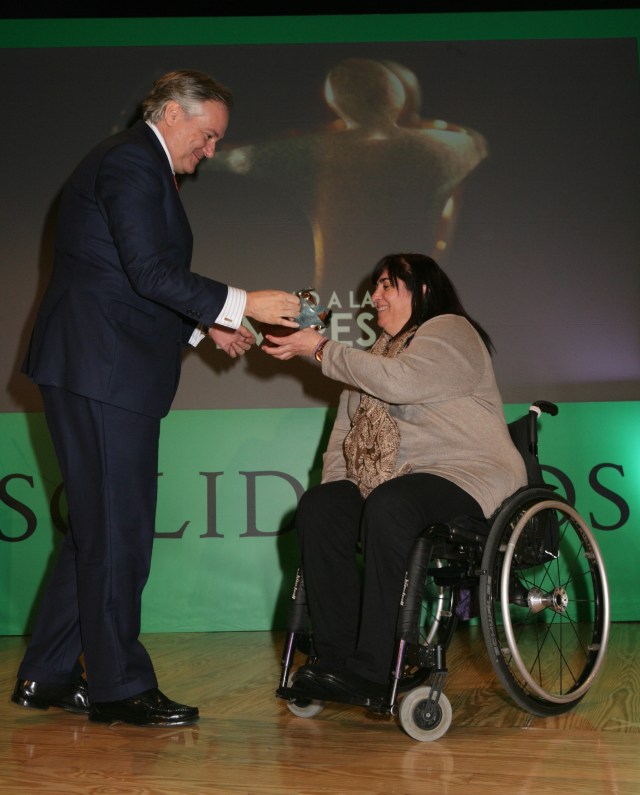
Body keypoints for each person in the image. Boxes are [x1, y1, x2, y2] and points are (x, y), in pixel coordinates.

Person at [12, 69, 301, 727]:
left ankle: (47, 674)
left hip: (98, 364)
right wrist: (241, 301)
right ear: (171, 112)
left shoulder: (132, 163)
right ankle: (118, 685)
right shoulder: (133, 163)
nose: (211, 150)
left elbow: (126, 273)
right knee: (120, 531)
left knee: (98, 529)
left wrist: (205, 326)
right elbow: (148, 270)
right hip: (103, 368)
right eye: (208, 135)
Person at [262, 253, 527, 699]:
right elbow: (341, 445)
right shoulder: (367, 361)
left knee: (393, 502)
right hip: (399, 484)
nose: (375, 296)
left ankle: (374, 667)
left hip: (467, 474)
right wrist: (336, 495)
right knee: (321, 506)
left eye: (387, 285)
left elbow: (400, 381)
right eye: (375, 286)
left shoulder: (450, 331)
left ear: (422, 290)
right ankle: (336, 661)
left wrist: (320, 348)